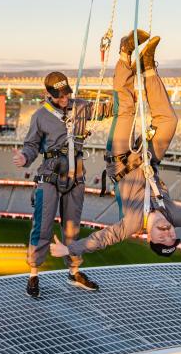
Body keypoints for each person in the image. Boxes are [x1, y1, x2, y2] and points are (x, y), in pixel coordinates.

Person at [51, 32, 181, 289]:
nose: (168, 230)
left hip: (121, 159)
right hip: (149, 161)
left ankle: (125, 54)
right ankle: (149, 67)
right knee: (168, 122)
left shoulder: (131, 224)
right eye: (172, 233)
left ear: (149, 236)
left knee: (126, 107)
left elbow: (103, 238)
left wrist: (70, 249)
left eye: (163, 235)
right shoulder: (172, 215)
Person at [12, 71, 109, 298]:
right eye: (60, 96)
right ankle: (34, 275)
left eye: (67, 94)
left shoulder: (81, 108)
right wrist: (25, 157)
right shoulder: (40, 116)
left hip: (76, 176)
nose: (65, 100)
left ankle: (74, 272)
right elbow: (32, 145)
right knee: (42, 226)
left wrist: (127, 93)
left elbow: (107, 108)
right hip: (49, 175)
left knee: (72, 227)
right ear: (49, 94)